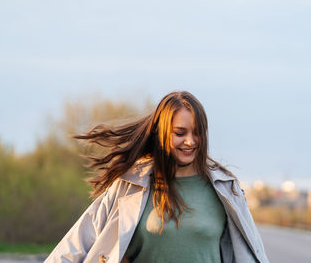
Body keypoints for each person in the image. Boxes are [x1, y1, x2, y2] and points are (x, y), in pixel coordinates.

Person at [45, 91, 269, 263]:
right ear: (162, 133)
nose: (190, 141)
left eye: (197, 132)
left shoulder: (225, 189)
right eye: (180, 133)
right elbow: (76, 245)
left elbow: (251, 253)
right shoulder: (131, 186)